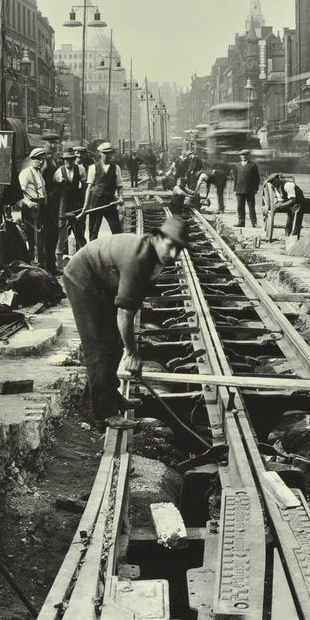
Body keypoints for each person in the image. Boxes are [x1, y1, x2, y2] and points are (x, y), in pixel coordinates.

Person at [62, 215, 189, 429]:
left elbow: (132, 301)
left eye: (179, 249)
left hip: (103, 282)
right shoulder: (138, 259)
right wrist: (132, 353)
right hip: (82, 279)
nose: (174, 254)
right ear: (158, 238)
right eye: (171, 246)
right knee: (98, 345)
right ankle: (104, 413)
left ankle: (112, 394)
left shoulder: (155, 254)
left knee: (113, 341)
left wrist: (128, 346)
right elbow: (125, 314)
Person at [53, 147, 87, 269]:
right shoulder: (58, 172)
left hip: (77, 206)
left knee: (80, 233)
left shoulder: (81, 170)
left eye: (70, 160)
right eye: (65, 160)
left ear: (74, 159)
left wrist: (84, 206)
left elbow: (84, 189)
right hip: (63, 207)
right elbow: (55, 192)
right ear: (63, 160)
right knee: (61, 236)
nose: (68, 162)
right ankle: (58, 264)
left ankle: (82, 261)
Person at [84, 142, 124, 239]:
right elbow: (89, 187)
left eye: (108, 153)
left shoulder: (116, 168)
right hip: (96, 201)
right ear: (100, 154)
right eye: (103, 153)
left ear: (111, 154)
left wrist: (120, 197)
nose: (105, 156)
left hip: (110, 201)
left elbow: (119, 186)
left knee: (116, 229)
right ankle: (92, 251)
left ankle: (118, 251)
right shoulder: (93, 167)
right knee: (93, 230)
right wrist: (85, 205)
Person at [18, 147, 48, 268]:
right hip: (31, 209)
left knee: (40, 237)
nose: (41, 162)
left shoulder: (38, 173)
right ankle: (33, 264)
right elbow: (20, 193)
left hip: (40, 207)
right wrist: (28, 203)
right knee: (33, 238)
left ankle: (40, 264)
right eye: (38, 159)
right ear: (32, 160)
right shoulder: (26, 173)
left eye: (42, 160)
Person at [41, 138, 62, 272]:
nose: (54, 146)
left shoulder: (54, 160)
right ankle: (46, 265)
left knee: (53, 234)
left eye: (55, 143)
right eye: (51, 143)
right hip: (45, 204)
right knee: (46, 236)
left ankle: (51, 264)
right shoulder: (42, 162)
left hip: (53, 204)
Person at [267, 172, 304, 241]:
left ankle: (295, 237)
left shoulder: (287, 185)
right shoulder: (276, 187)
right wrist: (276, 206)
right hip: (289, 203)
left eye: (274, 181)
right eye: (271, 183)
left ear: (278, 179)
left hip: (298, 202)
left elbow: (293, 200)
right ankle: (288, 234)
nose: (273, 184)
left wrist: (281, 205)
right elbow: (280, 200)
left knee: (295, 215)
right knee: (289, 215)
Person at [233, 148, 260, 228]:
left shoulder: (253, 165)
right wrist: (235, 189)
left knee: (251, 207)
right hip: (239, 189)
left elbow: (257, 178)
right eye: (242, 155)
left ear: (249, 156)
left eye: (245, 155)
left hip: (250, 190)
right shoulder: (237, 165)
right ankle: (241, 222)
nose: (243, 157)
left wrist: (256, 188)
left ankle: (254, 223)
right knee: (240, 207)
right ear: (240, 156)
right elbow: (235, 178)